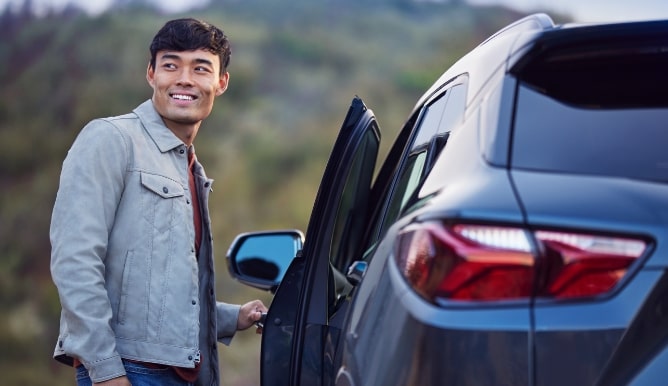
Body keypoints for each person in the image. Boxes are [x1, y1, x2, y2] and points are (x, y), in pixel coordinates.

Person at [50, 18, 268, 386]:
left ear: (221, 82)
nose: (184, 79)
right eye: (170, 65)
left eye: (200, 68)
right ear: (151, 74)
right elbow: (75, 260)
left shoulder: (189, 166)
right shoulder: (110, 139)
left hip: (180, 371)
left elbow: (158, 284)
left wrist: (233, 317)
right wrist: (105, 371)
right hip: (130, 370)